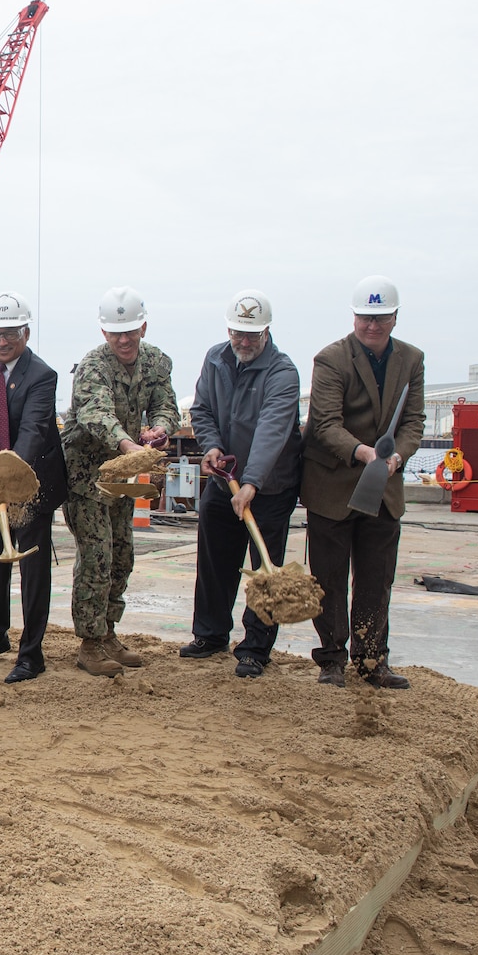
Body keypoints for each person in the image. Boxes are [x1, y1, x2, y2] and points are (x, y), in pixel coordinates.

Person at [301, 275, 425, 690]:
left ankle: (372, 660)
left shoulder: (411, 360)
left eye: (381, 318)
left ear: (394, 317)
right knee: (329, 577)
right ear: (355, 317)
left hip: (383, 490)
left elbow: (413, 422)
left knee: (376, 578)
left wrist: (397, 457)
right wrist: (365, 454)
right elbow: (325, 424)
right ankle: (332, 658)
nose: (372, 326)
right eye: (365, 318)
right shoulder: (331, 359)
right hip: (333, 485)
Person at [181, 290, 304, 677]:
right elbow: (201, 408)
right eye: (238, 333)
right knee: (215, 561)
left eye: (252, 335)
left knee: (265, 567)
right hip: (223, 482)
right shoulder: (216, 358)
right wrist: (213, 446)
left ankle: (254, 647)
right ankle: (211, 634)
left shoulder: (283, 372)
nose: (244, 342)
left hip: (270, 487)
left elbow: (273, 427)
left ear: (267, 331)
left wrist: (252, 481)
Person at [62, 287, 180, 677]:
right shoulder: (93, 366)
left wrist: (160, 430)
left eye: (130, 330)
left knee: (122, 555)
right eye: (116, 333)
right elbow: (96, 414)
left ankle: (108, 630)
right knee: (97, 555)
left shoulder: (156, 362)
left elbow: (166, 405)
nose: (124, 339)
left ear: (143, 326)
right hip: (87, 476)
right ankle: (90, 642)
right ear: (104, 333)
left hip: (124, 477)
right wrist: (131, 446)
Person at [0, 292, 69, 683]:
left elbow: (34, 430)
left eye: (9, 335)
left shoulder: (42, 375)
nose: (1, 343)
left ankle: (31, 654)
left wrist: (9, 470)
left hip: (31, 481)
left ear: (26, 331)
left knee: (31, 568)